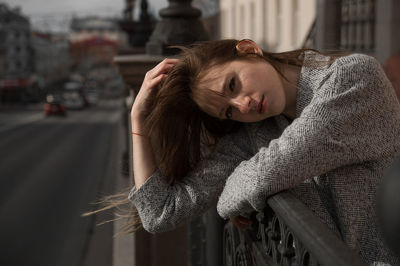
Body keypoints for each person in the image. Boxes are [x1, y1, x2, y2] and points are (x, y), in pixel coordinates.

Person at [112, 39, 400, 265]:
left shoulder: (353, 78)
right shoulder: (258, 132)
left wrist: (228, 198)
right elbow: (160, 214)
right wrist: (138, 120)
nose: (243, 106)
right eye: (228, 111)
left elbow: (269, 171)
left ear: (250, 50)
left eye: (233, 84)